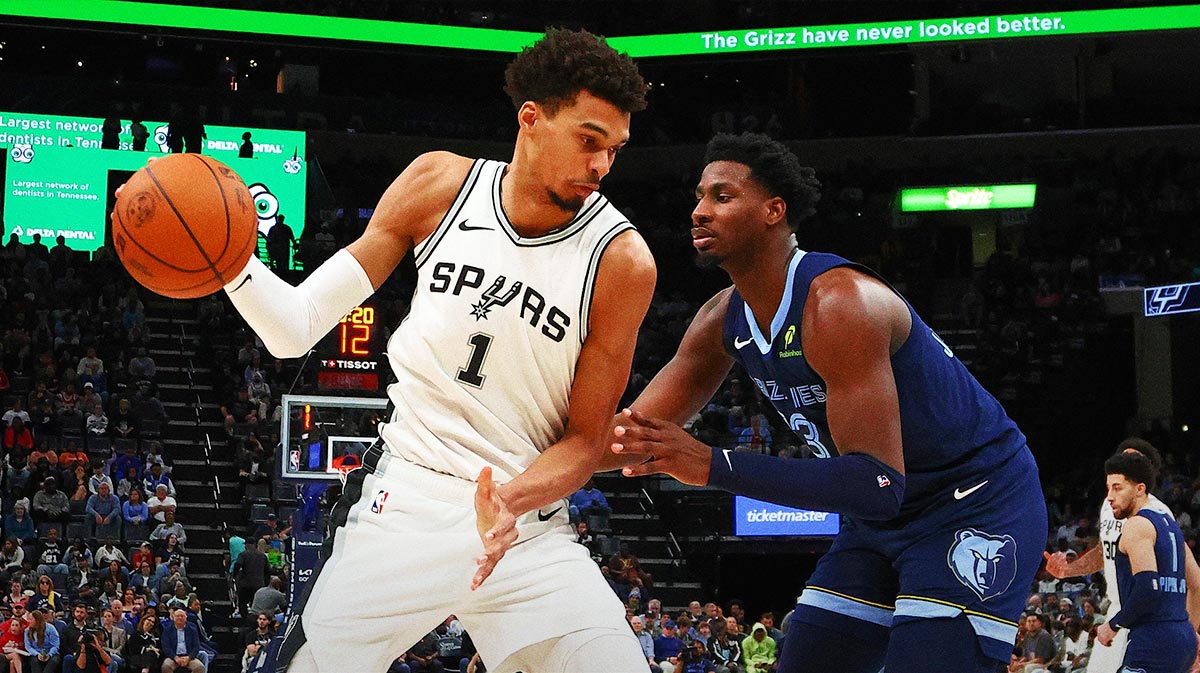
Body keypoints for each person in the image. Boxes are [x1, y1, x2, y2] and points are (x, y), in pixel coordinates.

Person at [172, 27, 656, 673]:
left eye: (614, 149)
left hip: (523, 526)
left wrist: (509, 501)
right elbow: (295, 327)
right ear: (532, 120)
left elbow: (585, 440)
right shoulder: (439, 185)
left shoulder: (622, 260)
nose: (601, 165)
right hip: (401, 501)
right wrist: (233, 264)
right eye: (589, 140)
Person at [607, 133, 1047, 673]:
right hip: (877, 520)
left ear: (775, 211)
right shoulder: (722, 317)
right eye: (699, 196)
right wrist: (511, 465)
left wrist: (711, 464)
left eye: (721, 196)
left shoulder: (840, 303)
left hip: (973, 501)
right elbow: (631, 438)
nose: (699, 211)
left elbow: (877, 484)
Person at [1044, 438, 1182, 673]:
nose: (1124, 465)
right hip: (1116, 609)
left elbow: (1179, 576)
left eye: (1134, 461)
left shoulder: (1159, 514)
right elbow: (1103, 552)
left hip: (1144, 615)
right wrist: (1068, 570)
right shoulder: (1110, 506)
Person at [1094, 451, 1199, 673]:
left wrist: (1112, 626)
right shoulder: (1171, 525)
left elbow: (1148, 589)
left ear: (1140, 489)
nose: (1110, 497)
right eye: (1108, 488)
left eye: (1117, 487)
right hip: (1182, 637)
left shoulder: (1136, 526)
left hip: (1153, 639)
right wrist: (1189, 633)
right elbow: (1197, 583)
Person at [24, 609, 61, 673]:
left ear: (37, 620)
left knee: (54, 661)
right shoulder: (27, 631)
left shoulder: (50, 628)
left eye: (30, 619)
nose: (28, 621)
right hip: (36, 653)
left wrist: (49, 654)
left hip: (50, 653)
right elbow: (28, 647)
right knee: (34, 661)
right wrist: (37, 654)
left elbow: (55, 645)